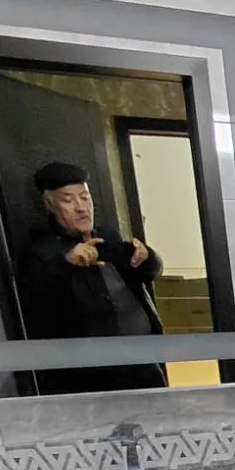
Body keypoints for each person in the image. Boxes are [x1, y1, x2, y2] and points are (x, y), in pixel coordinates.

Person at [16, 161, 168, 393]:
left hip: (143, 360)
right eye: (68, 200)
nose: (81, 207)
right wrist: (66, 264)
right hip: (94, 376)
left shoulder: (108, 236)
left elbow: (152, 272)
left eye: (85, 198)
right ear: (49, 204)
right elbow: (32, 303)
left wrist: (147, 257)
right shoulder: (43, 253)